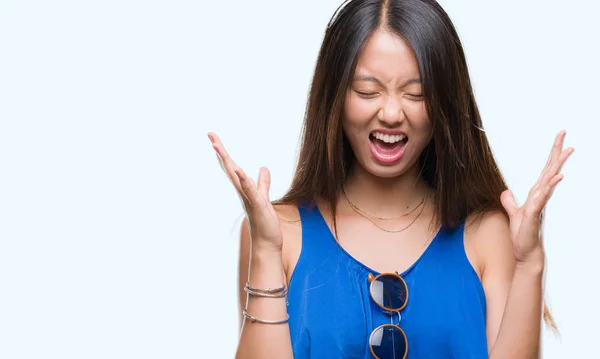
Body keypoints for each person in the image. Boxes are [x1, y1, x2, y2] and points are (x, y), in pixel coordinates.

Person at [209, 0, 573, 358]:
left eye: (416, 94)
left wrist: (529, 264)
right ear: (334, 95)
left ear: (445, 103)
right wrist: (267, 251)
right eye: (367, 91)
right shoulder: (280, 233)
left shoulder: (489, 235)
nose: (391, 113)